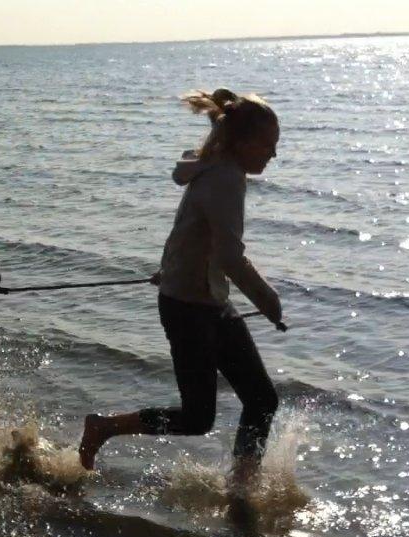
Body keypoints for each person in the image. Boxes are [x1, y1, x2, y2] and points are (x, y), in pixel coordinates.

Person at [78, 88, 285, 487]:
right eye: (268, 144)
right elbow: (229, 256)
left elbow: (190, 232)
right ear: (242, 142)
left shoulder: (219, 167)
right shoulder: (225, 177)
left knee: (261, 400)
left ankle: (242, 487)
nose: (273, 154)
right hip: (189, 308)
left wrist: (172, 268)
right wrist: (268, 300)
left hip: (208, 300)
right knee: (197, 418)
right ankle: (103, 427)